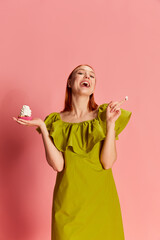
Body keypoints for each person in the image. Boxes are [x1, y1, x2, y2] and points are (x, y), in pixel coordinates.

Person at [13, 64, 132, 239]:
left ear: (93, 86)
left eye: (92, 75)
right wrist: (43, 129)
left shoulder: (103, 115)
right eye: (81, 73)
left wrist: (110, 124)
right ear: (69, 82)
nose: (87, 77)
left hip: (101, 204)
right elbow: (58, 165)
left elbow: (108, 162)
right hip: (68, 203)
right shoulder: (55, 121)